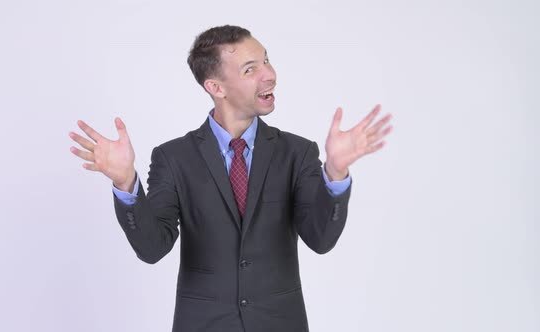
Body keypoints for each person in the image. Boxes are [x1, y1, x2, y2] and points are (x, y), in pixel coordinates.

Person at [69, 25, 392, 332]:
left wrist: (335, 174)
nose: (270, 74)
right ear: (216, 87)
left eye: (266, 60)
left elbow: (321, 240)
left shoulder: (297, 152)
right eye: (250, 69)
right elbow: (153, 248)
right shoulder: (173, 158)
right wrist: (126, 184)